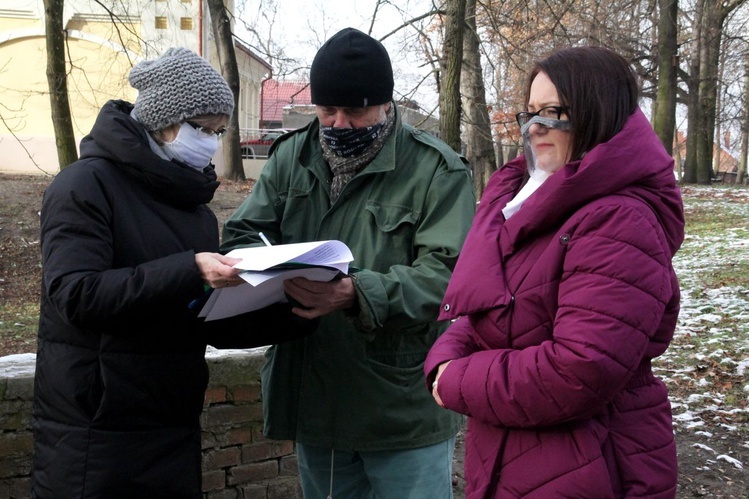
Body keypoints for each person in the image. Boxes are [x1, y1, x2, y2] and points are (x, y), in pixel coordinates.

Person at [31, 47, 315, 498]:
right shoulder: (84, 185)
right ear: (164, 121)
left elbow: (202, 316)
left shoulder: (192, 206)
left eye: (220, 133)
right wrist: (189, 269)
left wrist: (296, 309)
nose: (211, 143)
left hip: (172, 421)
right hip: (96, 428)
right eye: (203, 130)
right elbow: (75, 295)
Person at [221, 28, 476, 499]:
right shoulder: (291, 156)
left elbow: (451, 275)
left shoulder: (436, 170)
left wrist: (358, 292)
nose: (339, 124)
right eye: (326, 111)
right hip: (314, 395)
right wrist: (261, 267)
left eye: (355, 111)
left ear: (385, 104)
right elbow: (242, 233)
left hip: (400, 404)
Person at [425, 46, 684, 498]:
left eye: (554, 111)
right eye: (531, 112)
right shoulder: (537, 204)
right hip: (519, 454)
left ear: (595, 114)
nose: (535, 126)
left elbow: (579, 370)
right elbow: (486, 308)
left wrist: (457, 381)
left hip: (591, 463)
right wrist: (442, 364)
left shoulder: (617, 220)